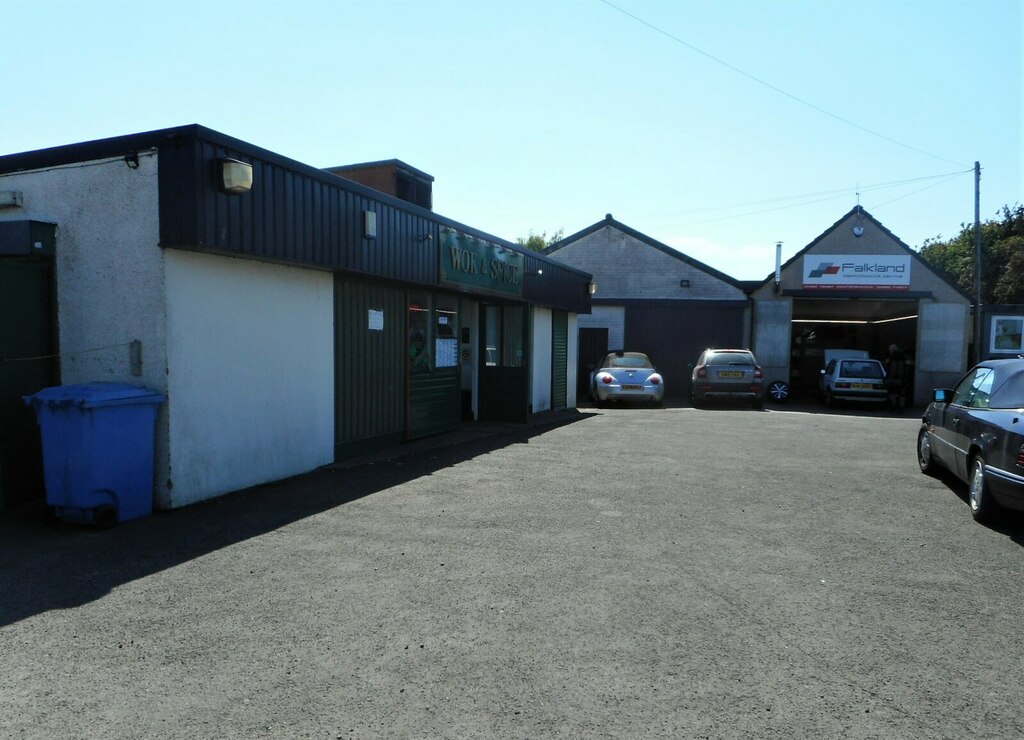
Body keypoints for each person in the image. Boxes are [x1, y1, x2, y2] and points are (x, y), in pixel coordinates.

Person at [885, 344, 909, 412]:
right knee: (902, 394)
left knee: (892, 393)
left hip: (892, 379)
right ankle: (901, 408)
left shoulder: (891, 356)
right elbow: (909, 363)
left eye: (890, 349)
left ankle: (894, 406)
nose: (889, 351)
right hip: (902, 379)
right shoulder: (904, 356)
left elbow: (887, 363)